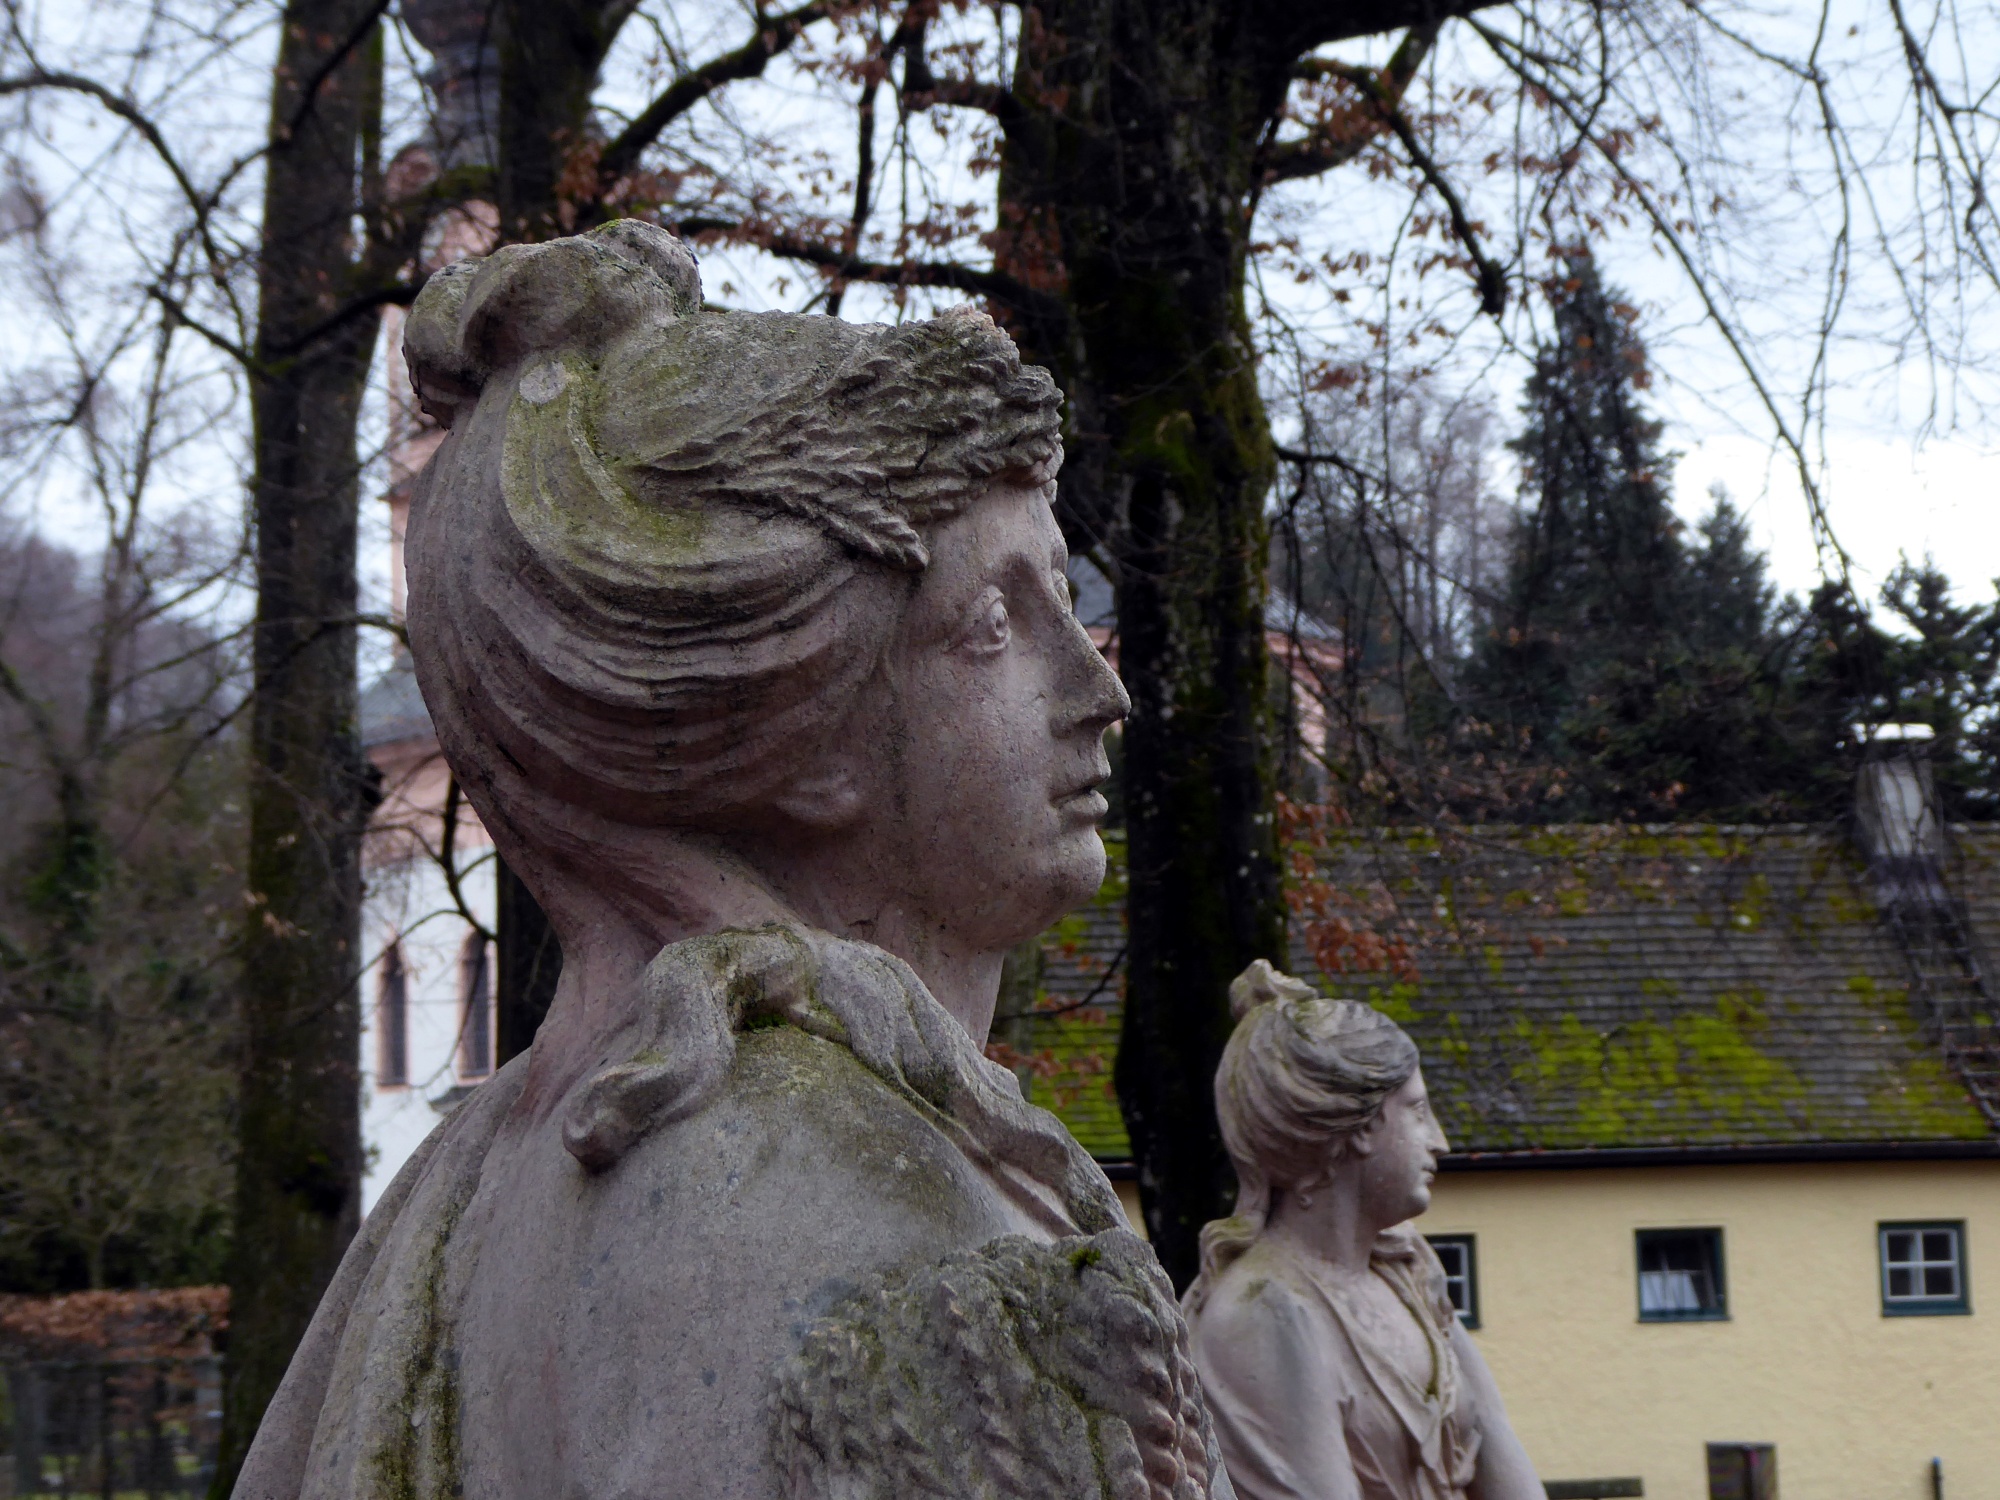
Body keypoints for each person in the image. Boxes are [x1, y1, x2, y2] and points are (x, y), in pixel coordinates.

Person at [232, 220, 1224, 1500]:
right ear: (802, 743)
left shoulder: (494, 1172)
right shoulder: (853, 1228)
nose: (1099, 691)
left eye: (1067, 614)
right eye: (992, 624)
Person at [1183, 961, 1543, 1500]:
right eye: (1418, 1111)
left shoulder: (1407, 1277)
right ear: (1352, 1127)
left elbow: (1507, 1465)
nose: (1439, 1141)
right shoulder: (1265, 1313)